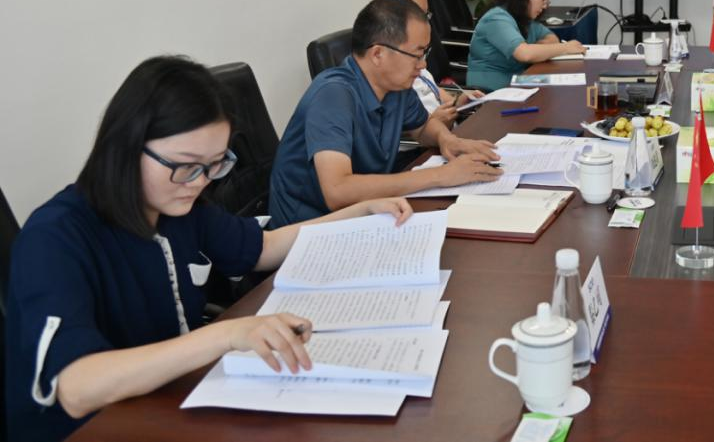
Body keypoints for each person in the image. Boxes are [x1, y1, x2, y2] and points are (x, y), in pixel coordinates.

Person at [4, 56, 414, 442]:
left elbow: (263, 247)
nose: (200, 182)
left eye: (214, 164)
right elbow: (76, 388)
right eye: (186, 166)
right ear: (127, 146)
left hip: (163, 402)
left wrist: (359, 212)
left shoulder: (177, 206)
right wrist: (227, 334)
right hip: (88, 429)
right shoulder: (55, 238)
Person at [268, 0, 501, 228]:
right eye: (417, 55)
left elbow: (423, 127)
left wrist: (446, 139)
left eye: (425, 54)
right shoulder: (333, 94)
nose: (423, 65)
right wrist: (441, 176)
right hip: (309, 228)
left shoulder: (395, 85)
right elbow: (337, 191)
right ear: (378, 54)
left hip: (366, 210)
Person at [379, 0, 483, 128]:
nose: (427, 22)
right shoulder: (384, 64)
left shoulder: (412, 49)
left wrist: (458, 103)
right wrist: (431, 124)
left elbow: (430, 88)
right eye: (422, 15)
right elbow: (388, 130)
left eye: (427, 14)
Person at [464, 0, 585, 90]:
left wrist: (535, 50)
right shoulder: (496, 19)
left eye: (547, 1)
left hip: (517, 85)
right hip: (489, 92)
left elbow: (551, 38)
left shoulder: (523, 17)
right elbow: (525, 54)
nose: (545, 6)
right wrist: (565, 47)